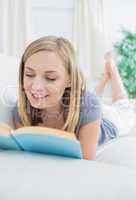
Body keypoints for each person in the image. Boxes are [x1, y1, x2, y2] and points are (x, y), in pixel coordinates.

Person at [12, 36, 135, 160]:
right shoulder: (21, 109)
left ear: (70, 80)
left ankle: (112, 70)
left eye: (50, 78)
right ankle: (105, 78)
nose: (37, 86)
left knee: (122, 105)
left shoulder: (89, 106)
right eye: (29, 74)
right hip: (85, 104)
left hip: (109, 120)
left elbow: (84, 162)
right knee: (92, 99)